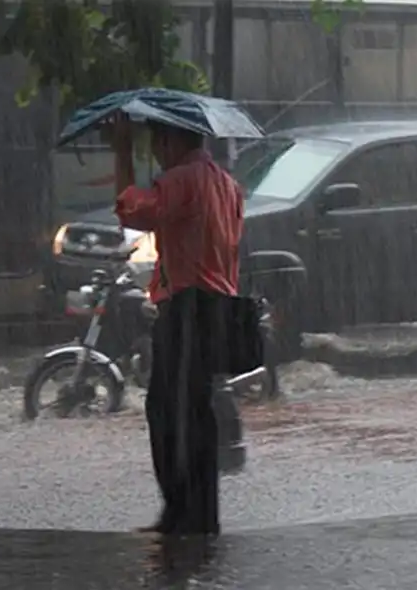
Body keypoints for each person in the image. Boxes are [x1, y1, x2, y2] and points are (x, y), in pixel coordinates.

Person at [110, 115, 244, 537]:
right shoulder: (226, 184)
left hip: (188, 307)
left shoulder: (182, 180)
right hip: (219, 306)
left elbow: (132, 214)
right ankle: (200, 515)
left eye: (156, 142)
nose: (155, 152)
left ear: (170, 141)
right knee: (195, 411)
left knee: (168, 412)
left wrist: (121, 151)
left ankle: (181, 513)